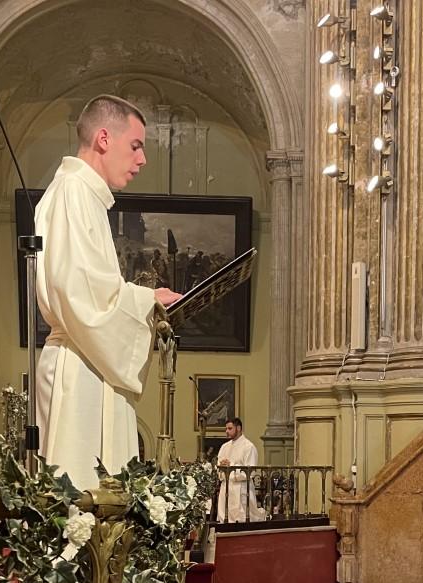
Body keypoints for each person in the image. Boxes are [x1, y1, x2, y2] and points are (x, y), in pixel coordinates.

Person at [34, 94, 180, 490]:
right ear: (103, 138)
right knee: (81, 501)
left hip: (90, 360)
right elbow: (76, 293)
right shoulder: (73, 193)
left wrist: (142, 298)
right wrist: (145, 299)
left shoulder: (85, 197)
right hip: (80, 366)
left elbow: (91, 286)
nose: (142, 160)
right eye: (135, 146)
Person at [215, 417, 260, 522]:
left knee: (242, 519)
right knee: (224, 520)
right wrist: (221, 466)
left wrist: (231, 466)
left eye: (230, 428)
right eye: (226, 429)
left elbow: (250, 472)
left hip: (241, 488)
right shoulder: (224, 447)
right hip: (226, 488)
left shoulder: (249, 447)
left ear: (238, 428)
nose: (227, 431)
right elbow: (218, 468)